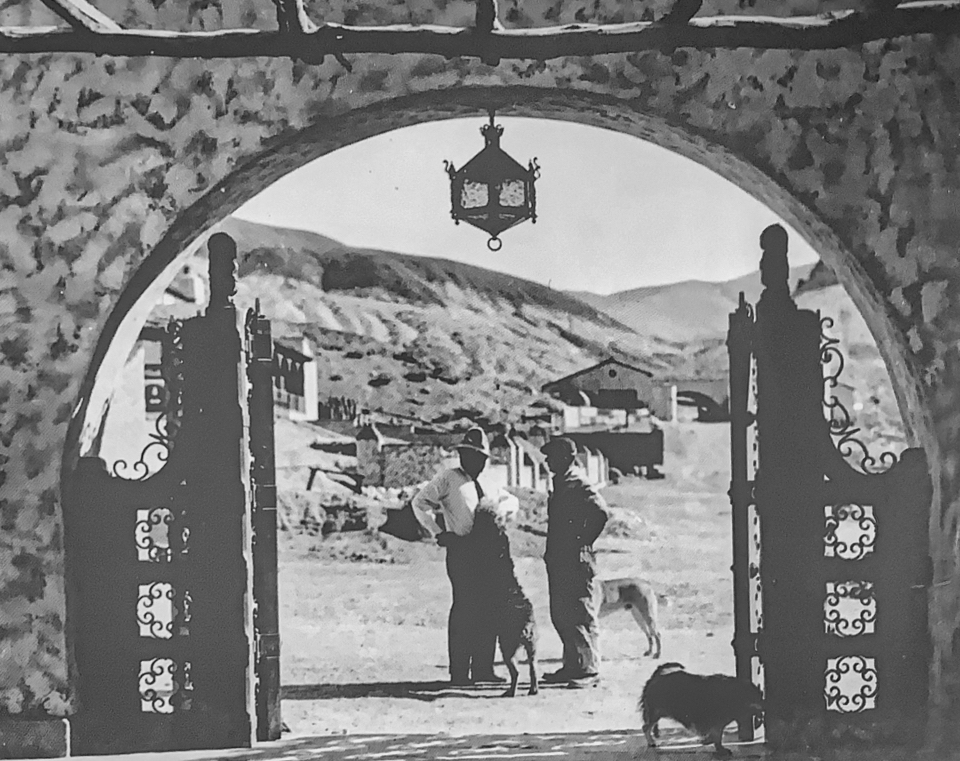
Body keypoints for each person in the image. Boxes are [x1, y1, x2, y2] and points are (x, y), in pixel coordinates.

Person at [411, 427, 504, 686]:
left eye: (476, 456)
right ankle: (460, 672)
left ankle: (483, 669)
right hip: (462, 550)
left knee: (488, 608)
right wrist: (439, 532)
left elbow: (511, 502)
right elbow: (420, 503)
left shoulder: (491, 483)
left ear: (484, 459)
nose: (470, 459)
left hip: (489, 554)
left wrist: (502, 516)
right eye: (465, 454)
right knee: (465, 609)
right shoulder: (448, 478)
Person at [540, 436, 609, 688]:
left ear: (566, 458)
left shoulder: (578, 482)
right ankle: (573, 665)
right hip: (560, 558)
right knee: (562, 614)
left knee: (580, 613)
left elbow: (601, 512)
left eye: (552, 457)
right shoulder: (561, 482)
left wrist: (583, 541)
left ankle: (589, 669)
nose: (547, 461)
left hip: (575, 559)